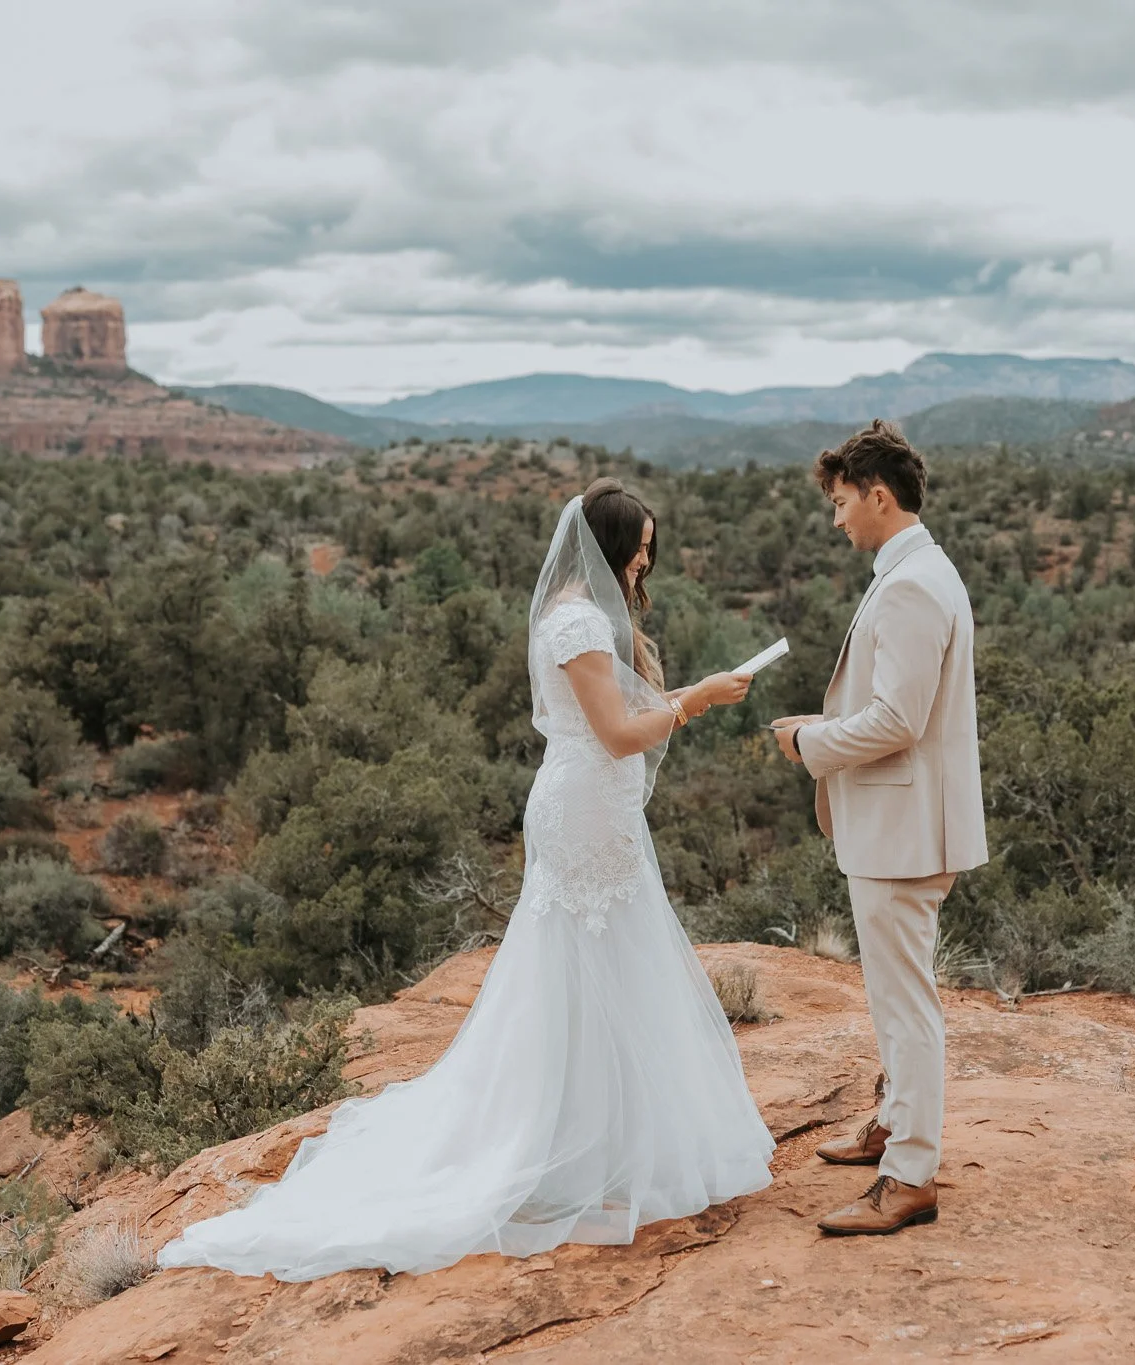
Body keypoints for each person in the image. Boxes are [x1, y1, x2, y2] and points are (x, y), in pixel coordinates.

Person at [158, 478, 772, 1280]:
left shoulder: (581, 614)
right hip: (585, 811)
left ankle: (603, 1135)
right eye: (640, 551)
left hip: (587, 805)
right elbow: (621, 734)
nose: (643, 566)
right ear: (608, 547)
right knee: (593, 956)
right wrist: (698, 701)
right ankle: (569, 1146)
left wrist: (684, 696)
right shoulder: (582, 619)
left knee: (597, 960)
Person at [773, 420, 987, 1237]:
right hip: (903, 823)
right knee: (896, 995)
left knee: (906, 1006)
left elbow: (898, 718)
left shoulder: (910, 584)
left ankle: (910, 1175)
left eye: (840, 503)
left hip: (903, 831)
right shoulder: (916, 570)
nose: (837, 519)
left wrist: (810, 744)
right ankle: (894, 1124)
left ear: (879, 496)